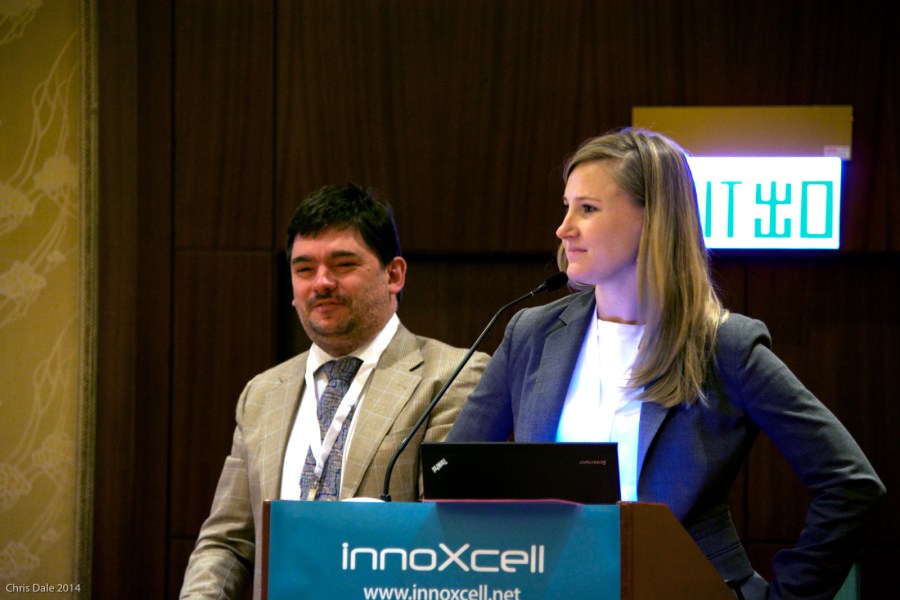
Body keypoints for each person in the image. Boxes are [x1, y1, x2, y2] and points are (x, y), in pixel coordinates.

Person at [446, 129, 885, 599]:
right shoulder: (531, 332)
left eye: (587, 209)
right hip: (554, 587)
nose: (564, 228)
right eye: (567, 206)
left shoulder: (724, 345)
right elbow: (451, 474)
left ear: (653, 219)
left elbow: (851, 485)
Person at [180, 183, 490, 599]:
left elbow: (449, 540)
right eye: (304, 269)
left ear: (394, 274)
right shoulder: (262, 394)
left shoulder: (453, 376)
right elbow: (227, 542)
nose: (322, 283)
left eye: (343, 264)